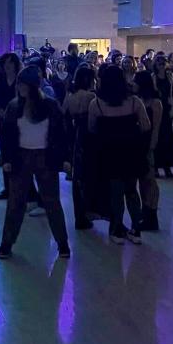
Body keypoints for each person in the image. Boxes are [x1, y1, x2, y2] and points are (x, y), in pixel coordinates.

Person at [0, 66, 70, 259]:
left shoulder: (50, 106)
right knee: (16, 203)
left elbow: (61, 135)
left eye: (22, 84)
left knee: (51, 202)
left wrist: (64, 159)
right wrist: (7, 159)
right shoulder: (15, 106)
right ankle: (7, 243)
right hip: (22, 157)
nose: (19, 87)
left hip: (44, 157)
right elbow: (7, 135)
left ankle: (63, 244)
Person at [88, 65, 150, 244]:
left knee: (115, 193)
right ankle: (136, 230)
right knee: (132, 191)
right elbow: (146, 126)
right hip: (132, 151)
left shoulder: (96, 104)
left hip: (109, 153)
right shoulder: (134, 102)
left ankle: (116, 228)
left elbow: (92, 129)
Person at [62, 65, 96, 229]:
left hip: (74, 138)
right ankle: (88, 212)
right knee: (89, 176)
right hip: (89, 138)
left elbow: (63, 114)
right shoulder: (90, 96)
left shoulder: (70, 96)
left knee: (77, 177)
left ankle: (79, 216)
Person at [134, 71, 163, 231]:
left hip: (148, 143)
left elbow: (156, 127)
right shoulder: (138, 100)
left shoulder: (155, 102)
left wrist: (152, 145)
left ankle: (151, 214)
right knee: (143, 180)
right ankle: (146, 212)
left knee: (150, 180)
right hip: (138, 143)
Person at [0, 52, 23, 199]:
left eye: (10, 63)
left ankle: (23, 189)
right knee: (5, 152)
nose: (7, 66)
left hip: (19, 120)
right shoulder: (2, 80)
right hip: (4, 120)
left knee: (19, 154)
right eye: (5, 63)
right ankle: (7, 188)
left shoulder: (20, 79)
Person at [151, 55, 173, 178]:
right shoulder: (153, 77)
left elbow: (172, 93)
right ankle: (156, 166)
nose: (161, 65)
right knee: (157, 136)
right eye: (159, 63)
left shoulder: (170, 77)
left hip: (167, 108)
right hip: (156, 108)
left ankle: (167, 166)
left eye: (163, 63)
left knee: (167, 137)